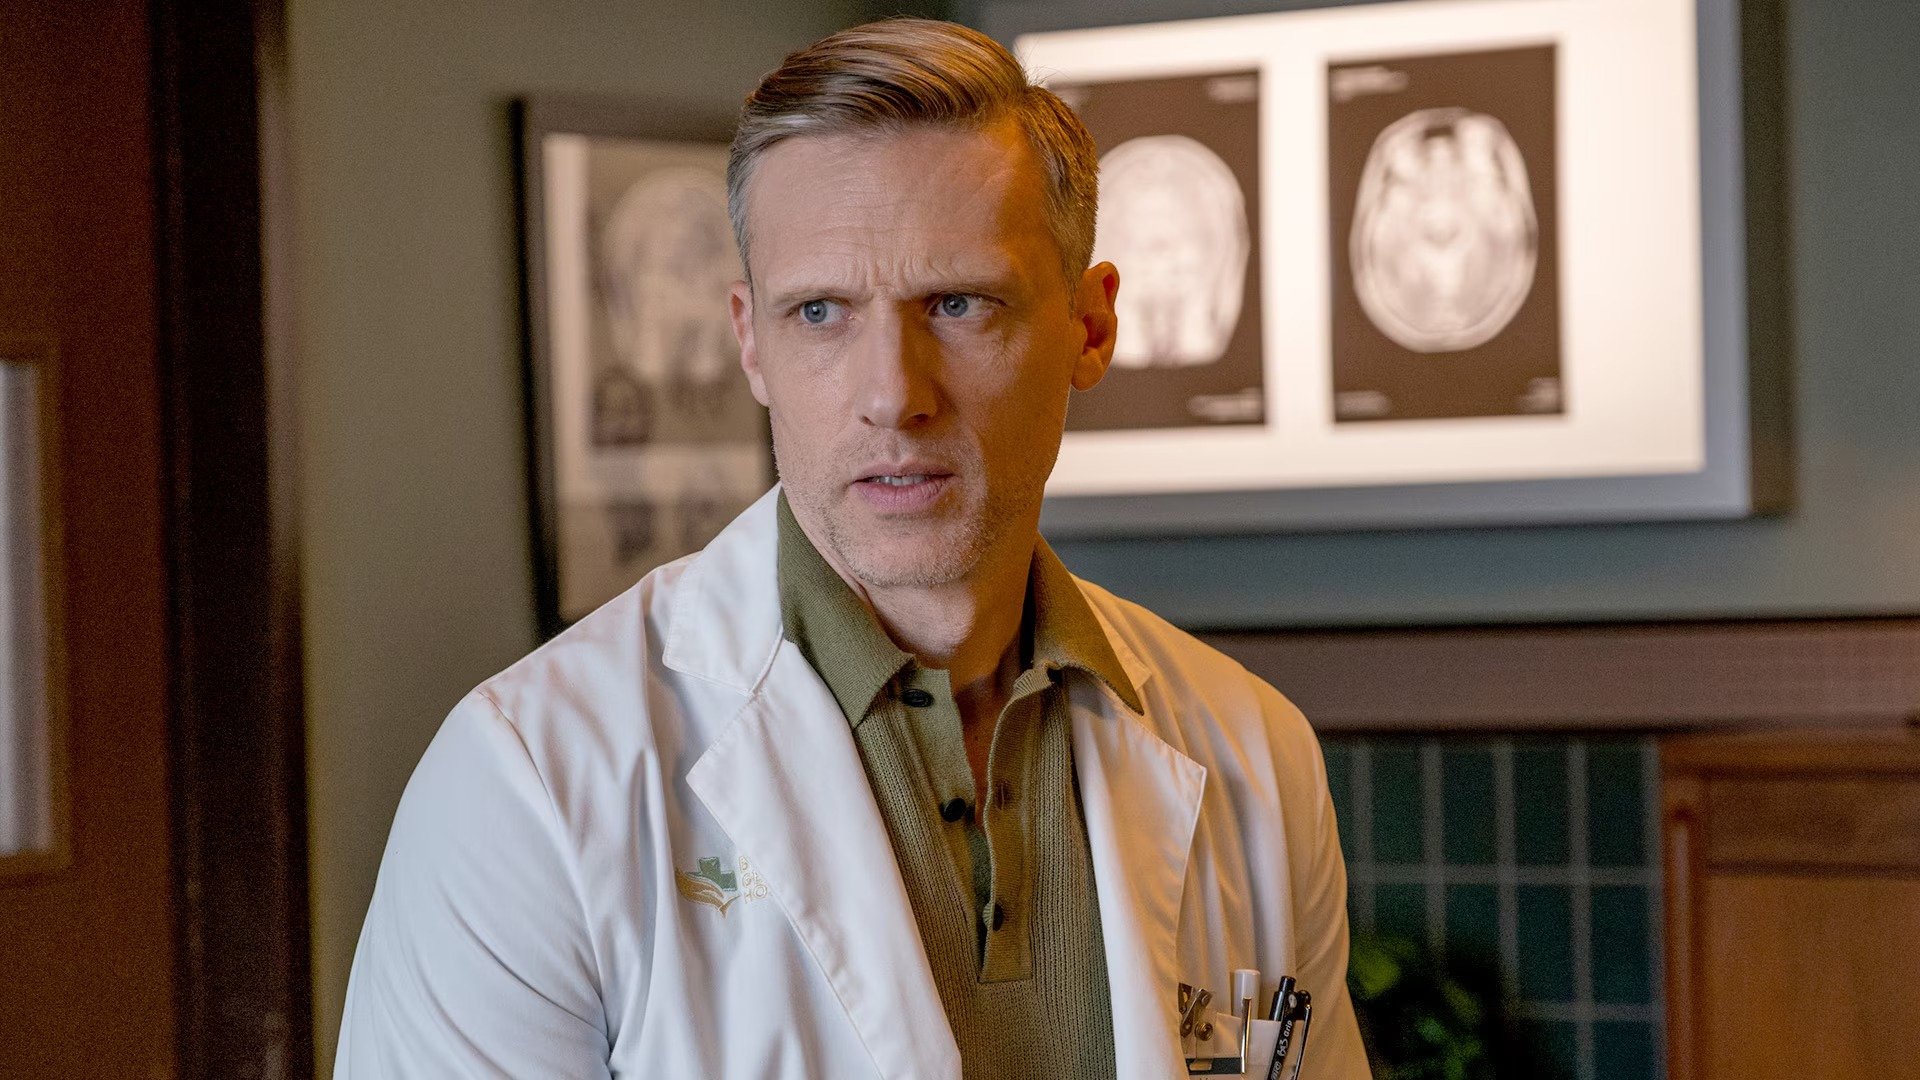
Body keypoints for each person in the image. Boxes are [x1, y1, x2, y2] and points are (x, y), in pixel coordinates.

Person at [336, 18, 1370, 1079]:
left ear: (1090, 327)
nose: (893, 395)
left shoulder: (1255, 752)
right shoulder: (529, 786)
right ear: (751, 341)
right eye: (821, 312)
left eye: (958, 304)